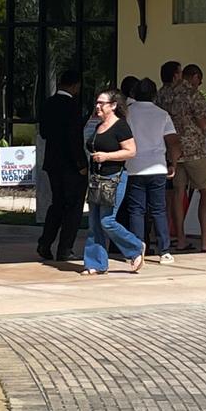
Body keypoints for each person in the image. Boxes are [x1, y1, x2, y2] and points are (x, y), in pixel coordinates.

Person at [82, 88, 145, 275]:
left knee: (107, 221)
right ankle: (95, 263)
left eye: (102, 103)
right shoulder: (97, 125)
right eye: (97, 102)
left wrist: (107, 156)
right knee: (93, 223)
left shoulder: (121, 126)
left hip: (113, 178)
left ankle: (135, 247)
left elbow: (131, 151)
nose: (98, 106)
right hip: (96, 179)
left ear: (114, 106)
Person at [122, 78, 181, 263]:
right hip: (157, 166)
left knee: (136, 211)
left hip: (134, 167)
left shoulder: (128, 113)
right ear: (154, 95)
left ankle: (137, 250)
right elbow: (173, 142)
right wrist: (173, 164)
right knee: (158, 210)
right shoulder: (162, 114)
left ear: (134, 94)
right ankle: (164, 251)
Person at [166, 64, 206, 252]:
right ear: (194, 76)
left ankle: (180, 239)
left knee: (177, 194)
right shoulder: (193, 94)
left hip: (173, 151)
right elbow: (203, 124)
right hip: (194, 149)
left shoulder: (164, 94)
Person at [38, 69, 87, 262]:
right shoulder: (72, 106)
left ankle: (45, 242)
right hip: (70, 164)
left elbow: (43, 133)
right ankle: (65, 248)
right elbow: (73, 138)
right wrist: (80, 163)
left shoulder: (47, 103)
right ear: (75, 86)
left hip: (52, 162)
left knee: (57, 203)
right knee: (73, 206)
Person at [156, 62, 186, 246]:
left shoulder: (159, 95)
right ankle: (179, 237)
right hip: (183, 150)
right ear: (176, 75)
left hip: (163, 151)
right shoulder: (185, 94)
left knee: (169, 196)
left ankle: (164, 235)